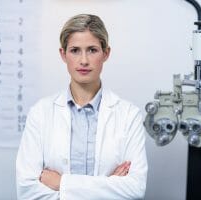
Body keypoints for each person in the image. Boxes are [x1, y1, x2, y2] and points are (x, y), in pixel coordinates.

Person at [16, 14, 148, 199]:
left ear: (106, 53)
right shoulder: (40, 113)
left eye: (92, 50)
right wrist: (108, 186)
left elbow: (135, 188)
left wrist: (61, 183)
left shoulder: (128, 115)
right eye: (75, 50)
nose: (84, 60)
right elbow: (27, 191)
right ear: (63, 54)